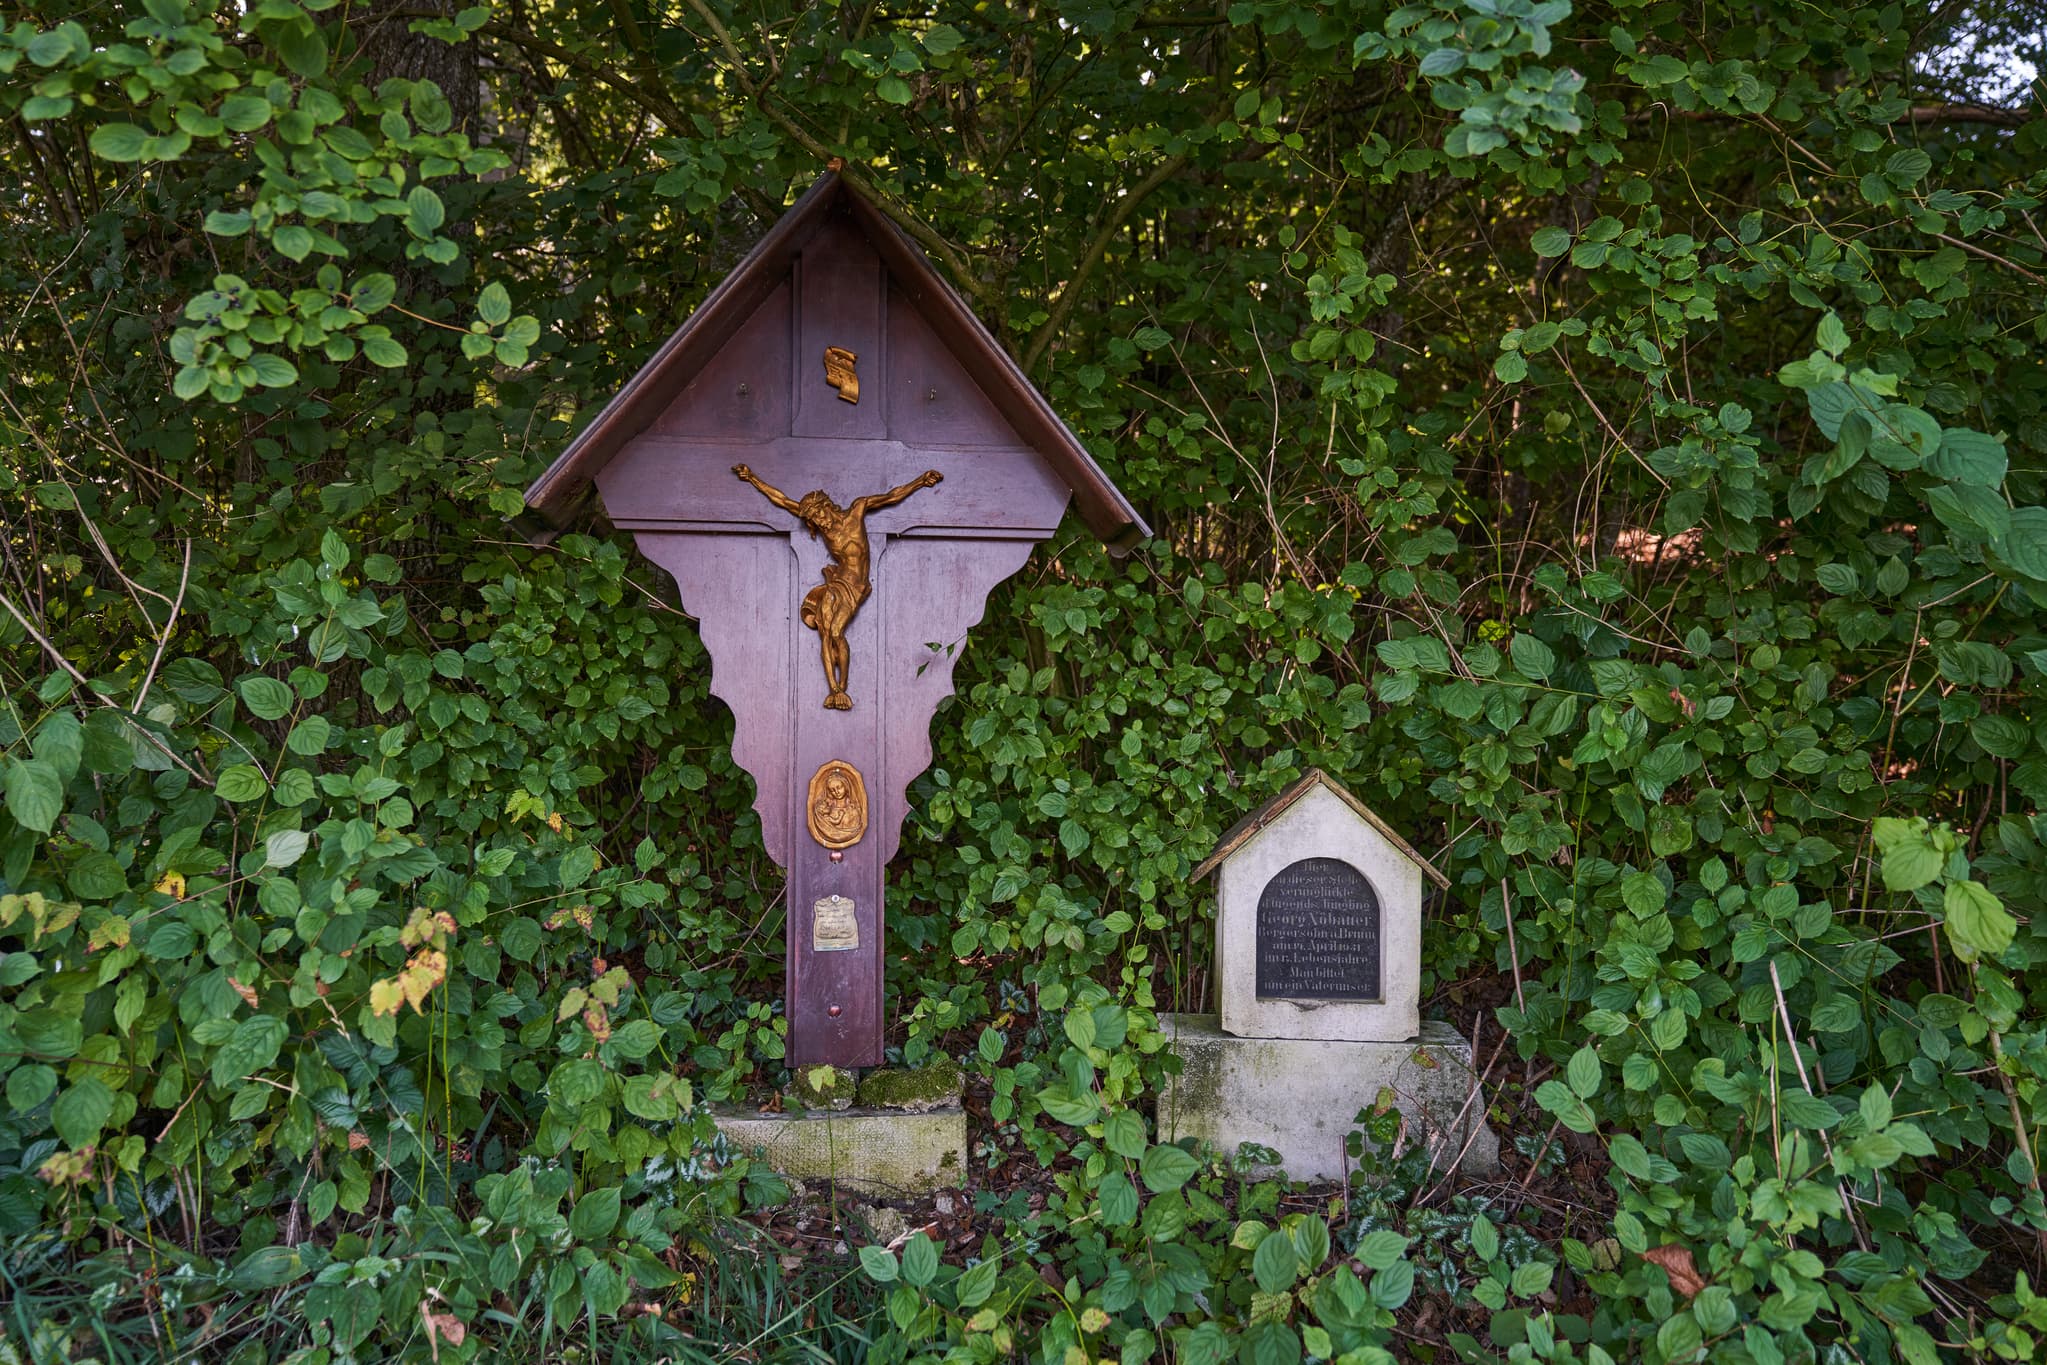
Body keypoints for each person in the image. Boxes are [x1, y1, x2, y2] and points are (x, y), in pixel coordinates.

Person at [732, 464, 944, 709]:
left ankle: (842, 687)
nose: (819, 522)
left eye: (819, 514)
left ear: (826, 505)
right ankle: (834, 689)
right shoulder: (825, 531)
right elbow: (782, 500)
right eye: (813, 520)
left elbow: (892, 496)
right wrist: (753, 479)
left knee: (835, 632)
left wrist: (920, 481)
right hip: (838, 581)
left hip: (857, 585)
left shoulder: (856, 510)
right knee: (826, 628)